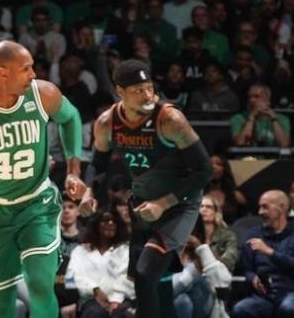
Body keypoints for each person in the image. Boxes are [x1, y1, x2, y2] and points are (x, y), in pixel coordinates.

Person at [79, 59, 213, 318]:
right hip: (143, 202)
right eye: (138, 90)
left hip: (178, 204)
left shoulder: (170, 119)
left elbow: (204, 171)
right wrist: (88, 191)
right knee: (158, 283)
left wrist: (164, 203)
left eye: (149, 88)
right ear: (120, 92)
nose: (147, 95)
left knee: (144, 274)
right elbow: (98, 163)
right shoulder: (107, 122)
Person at [0, 41, 87, 318]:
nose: (33, 74)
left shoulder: (42, 94)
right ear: (3, 73)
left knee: (39, 284)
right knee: (1, 303)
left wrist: (74, 169)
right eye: (25, 69)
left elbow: (70, 117)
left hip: (37, 204)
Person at [234, 190, 294, 318]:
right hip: (264, 295)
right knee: (241, 309)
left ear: (282, 207)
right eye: (260, 207)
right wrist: (253, 278)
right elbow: (245, 269)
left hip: (292, 291)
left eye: (265, 207)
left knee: (289, 308)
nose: (260, 212)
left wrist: (270, 252)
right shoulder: (254, 233)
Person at [65, 210, 134, 318]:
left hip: (122, 300)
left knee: (122, 313)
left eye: (114, 221)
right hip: (90, 300)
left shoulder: (125, 250)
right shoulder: (80, 251)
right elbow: (72, 278)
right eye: (105, 221)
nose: (110, 224)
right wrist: (94, 289)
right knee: (95, 313)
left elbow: (128, 278)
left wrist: (116, 299)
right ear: (96, 224)